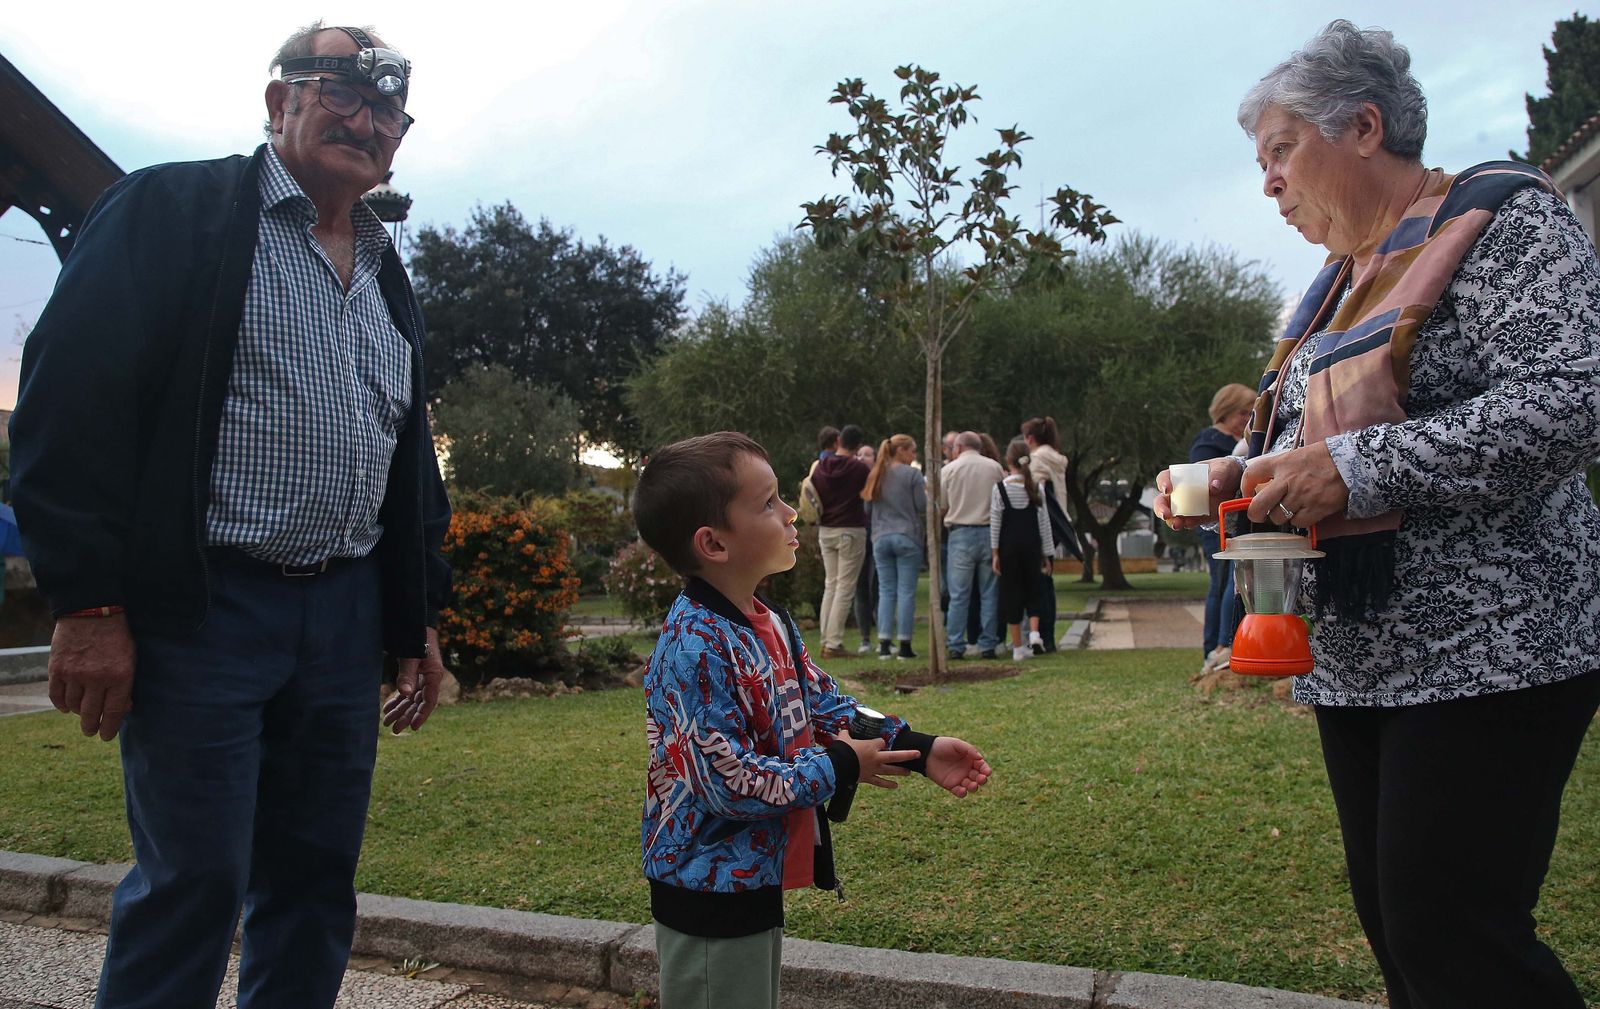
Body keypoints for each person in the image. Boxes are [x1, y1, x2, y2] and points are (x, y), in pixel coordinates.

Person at [7, 22, 452, 1009]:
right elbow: (68, 408)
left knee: (312, 881)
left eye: (386, 107)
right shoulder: (177, 211)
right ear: (278, 100)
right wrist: (87, 606)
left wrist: (416, 615)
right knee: (194, 879)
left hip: (338, 621)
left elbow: (403, 460)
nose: (364, 118)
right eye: (339, 89)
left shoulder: (383, 267)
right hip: (205, 609)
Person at [1157, 20, 1600, 1008]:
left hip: (1495, 644)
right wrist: (1231, 478)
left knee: (1458, 940)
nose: (1267, 180)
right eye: (1259, 160)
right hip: (1363, 657)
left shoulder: (1501, 220)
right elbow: (1294, 444)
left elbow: (1567, 403)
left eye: (1281, 149)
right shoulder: (1330, 289)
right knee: (1409, 944)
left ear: (1363, 127)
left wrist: (1350, 468)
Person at [632, 432, 991, 1009]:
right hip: (708, 891)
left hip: (752, 879)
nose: (791, 511)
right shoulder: (696, 647)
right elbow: (730, 783)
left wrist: (917, 748)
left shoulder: (765, 620)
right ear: (714, 543)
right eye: (769, 502)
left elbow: (823, 704)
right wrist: (843, 763)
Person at [1189, 384, 1255, 667]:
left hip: (1238, 522)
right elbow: (1197, 488)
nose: (1247, 418)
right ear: (1225, 413)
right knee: (1220, 584)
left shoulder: (1241, 440)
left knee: (1233, 582)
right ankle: (1214, 646)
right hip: (1216, 523)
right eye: (1243, 412)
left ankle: (1226, 644)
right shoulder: (1210, 442)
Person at [862, 434, 926, 660]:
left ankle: (884, 643)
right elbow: (922, 505)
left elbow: (867, 509)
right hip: (907, 535)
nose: (914, 455)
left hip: (881, 537)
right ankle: (905, 645)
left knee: (886, 591)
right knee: (906, 591)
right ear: (901, 451)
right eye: (913, 451)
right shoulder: (913, 474)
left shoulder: (876, 473)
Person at [941, 431, 1004, 658]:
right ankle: (988, 643)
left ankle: (955, 644)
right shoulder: (994, 468)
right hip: (989, 532)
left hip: (960, 533)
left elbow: (943, 504)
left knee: (959, 594)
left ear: (958, 447)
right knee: (989, 593)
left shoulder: (949, 470)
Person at [990, 439, 1055, 661]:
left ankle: (1018, 647)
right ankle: (1035, 633)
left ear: (1008, 460)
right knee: (1034, 589)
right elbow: (1044, 523)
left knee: (1012, 593)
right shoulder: (1036, 488)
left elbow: (995, 523)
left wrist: (995, 553)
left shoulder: (1000, 489)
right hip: (1032, 547)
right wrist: (1047, 554)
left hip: (1009, 549)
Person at [812, 424, 872, 658]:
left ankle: (826, 638)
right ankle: (834, 643)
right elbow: (868, 492)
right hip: (850, 529)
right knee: (845, 587)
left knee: (831, 584)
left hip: (826, 529)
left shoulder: (820, 466)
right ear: (858, 445)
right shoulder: (858, 468)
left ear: (839, 440)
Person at [1021, 416, 1074, 650]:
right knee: (1046, 581)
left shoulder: (1036, 460)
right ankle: (1048, 635)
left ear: (1030, 439)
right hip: (1057, 524)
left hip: (1041, 524)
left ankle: (1042, 635)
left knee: (1037, 583)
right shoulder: (1057, 459)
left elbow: (1030, 490)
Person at [850, 442, 879, 654]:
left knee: (877, 586)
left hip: (878, 535)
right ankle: (865, 638)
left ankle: (884, 639)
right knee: (860, 588)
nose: (862, 458)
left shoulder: (880, 480)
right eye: (859, 454)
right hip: (858, 535)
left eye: (867, 454)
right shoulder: (851, 480)